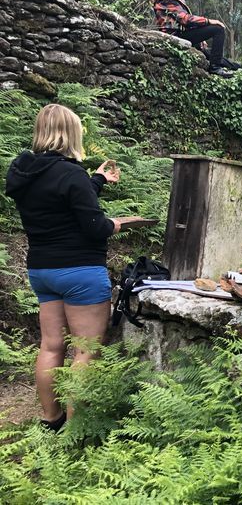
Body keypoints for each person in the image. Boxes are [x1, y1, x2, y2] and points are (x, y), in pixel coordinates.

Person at [4, 104, 123, 431]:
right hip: (81, 271)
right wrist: (115, 224)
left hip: (43, 271)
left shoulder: (24, 172)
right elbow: (94, 226)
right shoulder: (70, 173)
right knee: (85, 351)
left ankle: (51, 420)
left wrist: (96, 180)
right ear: (71, 133)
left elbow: (60, 199)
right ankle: (76, 430)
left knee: (51, 345)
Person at [153, 0, 242, 77]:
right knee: (218, 29)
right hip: (172, 36)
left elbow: (183, 21)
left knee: (209, 54)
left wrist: (201, 37)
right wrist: (208, 21)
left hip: (181, 33)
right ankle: (215, 68)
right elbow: (185, 19)